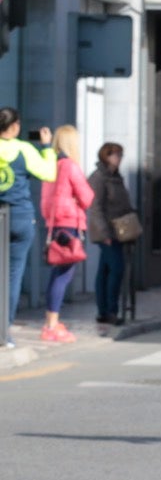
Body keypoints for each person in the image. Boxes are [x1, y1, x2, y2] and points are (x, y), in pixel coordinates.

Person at [0, 108, 57, 328]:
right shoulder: (24, 149)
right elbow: (48, 174)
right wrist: (46, 148)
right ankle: (4, 330)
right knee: (13, 275)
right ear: (15, 127)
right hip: (19, 218)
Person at [39, 126, 93, 343]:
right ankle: (51, 326)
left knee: (57, 274)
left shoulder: (51, 165)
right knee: (64, 275)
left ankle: (51, 321)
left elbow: (45, 199)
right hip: (69, 223)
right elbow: (87, 197)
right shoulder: (71, 166)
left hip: (55, 224)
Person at [87, 142, 135, 326]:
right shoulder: (99, 178)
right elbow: (96, 207)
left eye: (121, 154)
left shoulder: (117, 177)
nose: (119, 158)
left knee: (105, 271)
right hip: (106, 231)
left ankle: (104, 311)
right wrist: (103, 233)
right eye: (115, 154)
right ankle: (110, 311)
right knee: (116, 269)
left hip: (120, 230)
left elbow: (123, 202)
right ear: (105, 156)